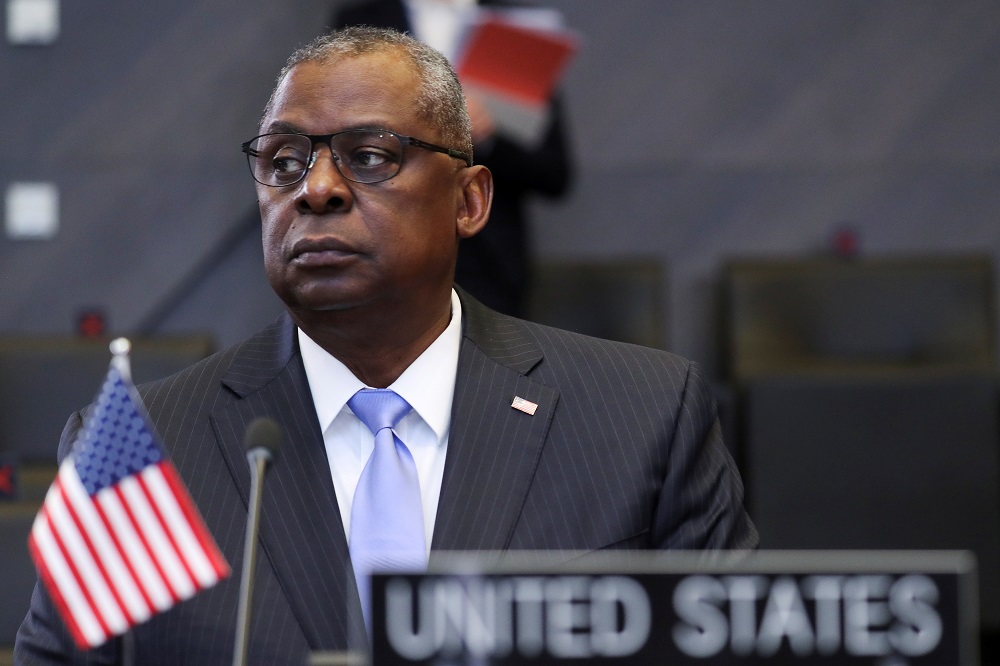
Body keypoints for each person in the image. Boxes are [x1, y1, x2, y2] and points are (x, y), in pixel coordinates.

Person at [15, 27, 756, 664]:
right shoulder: (140, 449)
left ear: (470, 200)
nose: (316, 189)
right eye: (284, 162)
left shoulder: (642, 418)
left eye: (369, 156)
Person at [332, 0, 574, 317]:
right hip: (383, 244)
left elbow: (554, 172)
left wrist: (489, 137)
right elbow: (338, 133)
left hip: (489, 263)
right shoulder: (361, 21)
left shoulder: (517, 31)